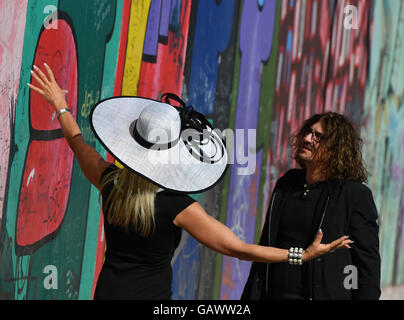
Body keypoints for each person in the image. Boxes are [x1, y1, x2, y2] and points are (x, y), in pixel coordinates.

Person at [27, 64, 352, 300]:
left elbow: (77, 143)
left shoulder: (110, 182)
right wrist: (301, 256)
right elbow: (237, 248)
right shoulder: (176, 206)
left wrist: (61, 105)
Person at [242, 112, 381, 300]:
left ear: (336, 148)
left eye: (318, 136)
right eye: (308, 132)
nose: (307, 139)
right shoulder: (287, 184)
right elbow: (267, 244)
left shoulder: (353, 194)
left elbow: (367, 266)